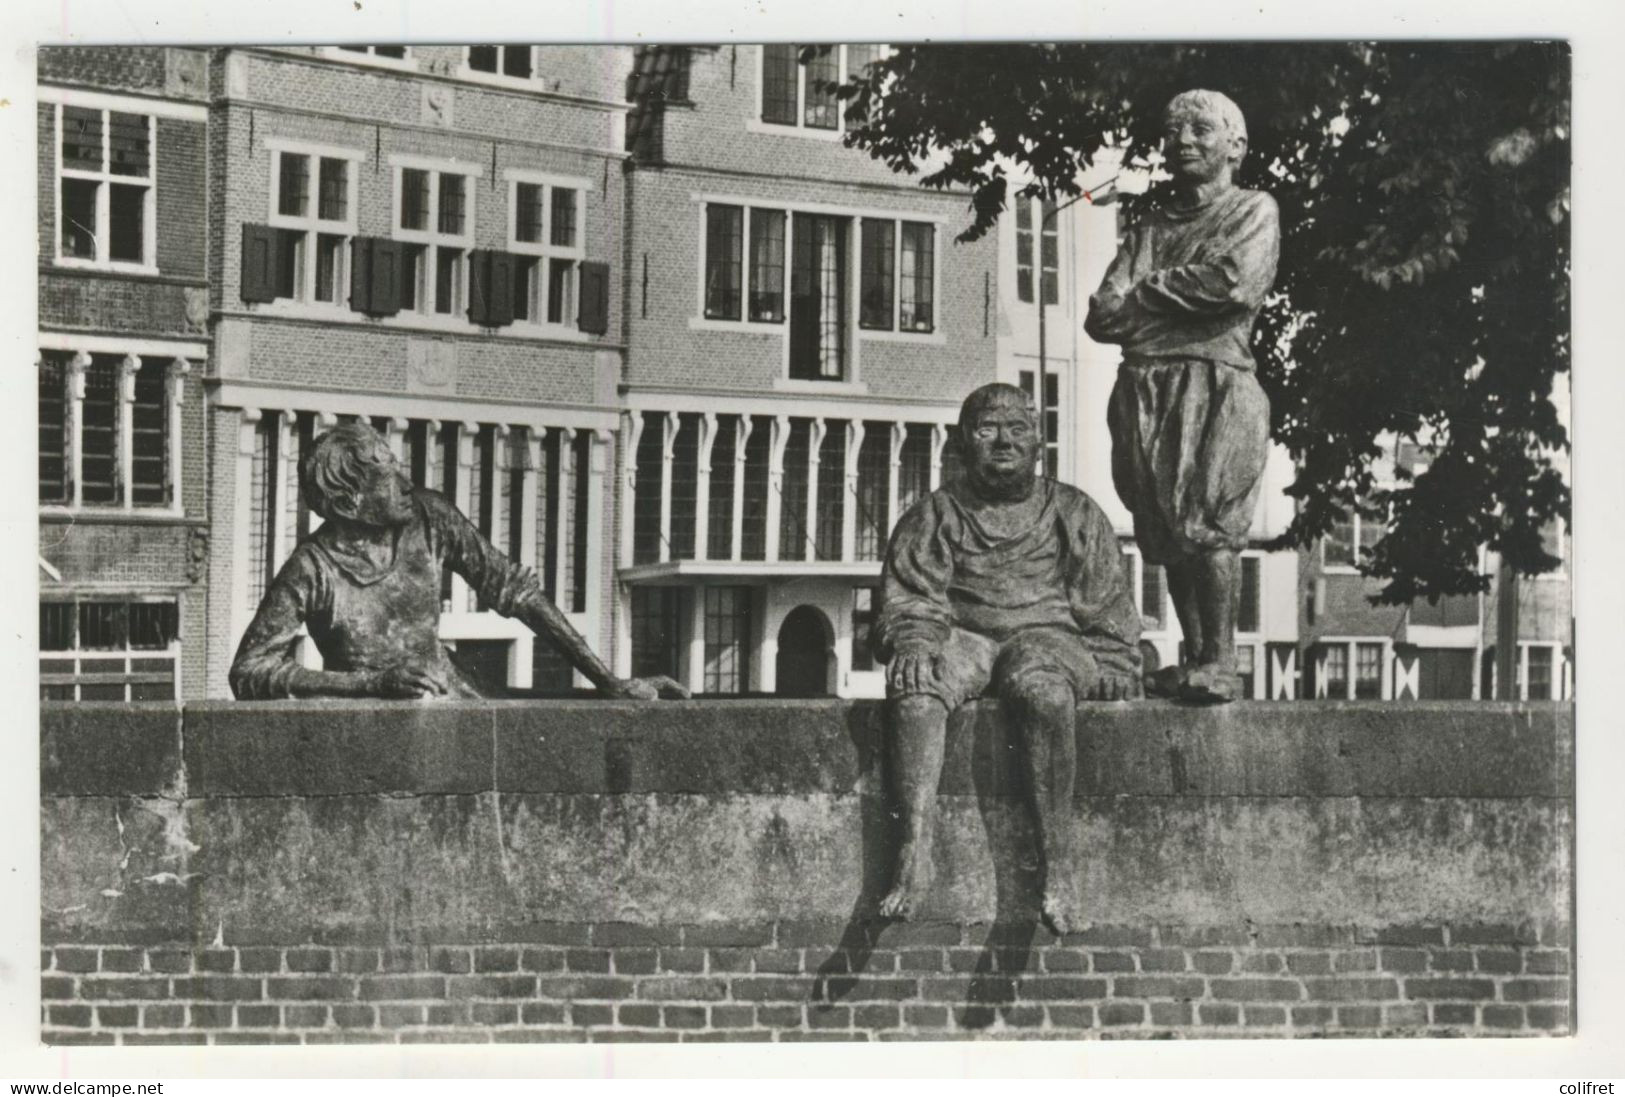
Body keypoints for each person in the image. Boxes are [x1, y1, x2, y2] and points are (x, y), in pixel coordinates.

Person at [873, 383, 1141, 935]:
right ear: (963, 441)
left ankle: (1057, 867)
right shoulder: (936, 515)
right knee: (918, 687)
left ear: (1037, 441)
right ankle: (915, 849)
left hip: (1047, 637)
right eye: (987, 429)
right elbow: (914, 596)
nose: (1003, 442)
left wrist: (1114, 658)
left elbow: (1106, 598)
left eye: (1017, 429)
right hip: (966, 634)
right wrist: (916, 641)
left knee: (1041, 693)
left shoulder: (1073, 512)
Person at [230, 421, 687, 702]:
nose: (408, 485)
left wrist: (607, 681)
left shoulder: (429, 517)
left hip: (456, 699)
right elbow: (249, 671)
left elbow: (515, 591)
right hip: (374, 725)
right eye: (389, 481)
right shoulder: (312, 568)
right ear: (349, 503)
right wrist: (368, 685)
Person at [1085, 89, 1280, 704]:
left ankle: (1220, 660)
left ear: (1236, 146)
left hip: (1215, 384)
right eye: (1173, 130)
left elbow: (1235, 282)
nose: (1183, 140)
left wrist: (1148, 295)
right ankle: (1195, 654)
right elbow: (1102, 314)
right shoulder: (1149, 226)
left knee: (1210, 520)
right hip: (1145, 389)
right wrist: (1163, 305)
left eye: (1200, 129)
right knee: (1163, 530)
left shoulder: (1253, 210)